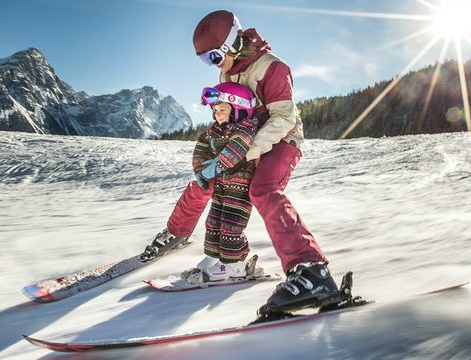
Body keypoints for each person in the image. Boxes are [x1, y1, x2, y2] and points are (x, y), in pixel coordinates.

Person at [140, 10, 339, 317]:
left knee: (263, 189)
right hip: (244, 141)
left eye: (216, 56)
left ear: (234, 42)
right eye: (207, 60)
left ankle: (312, 272)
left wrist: (248, 151)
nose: (215, 64)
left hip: (282, 137)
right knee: (208, 180)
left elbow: (284, 118)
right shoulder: (227, 72)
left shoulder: (273, 68)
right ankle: (181, 235)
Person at [187, 82, 259, 283]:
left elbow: (235, 151)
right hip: (221, 184)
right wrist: (200, 171)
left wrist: (216, 167)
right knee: (213, 221)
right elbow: (201, 147)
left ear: (239, 110)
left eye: (222, 110)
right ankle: (213, 257)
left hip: (239, 185)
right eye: (215, 110)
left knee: (231, 223)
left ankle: (234, 265)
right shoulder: (214, 131)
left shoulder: (246, 128)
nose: (217, 115)